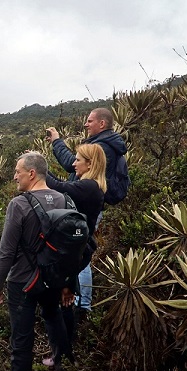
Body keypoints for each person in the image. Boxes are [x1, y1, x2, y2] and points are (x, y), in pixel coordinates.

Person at [0, 152, 76, 371]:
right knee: (53, 319)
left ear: (32, 173)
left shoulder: (19, 204)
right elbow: (71, 250)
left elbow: (6, 251)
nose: (14, 176)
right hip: (54, 279)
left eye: (17, 171)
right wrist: (68, 284)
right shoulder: (64, 199)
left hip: (23, 283)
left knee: (22, 342)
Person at [46, 107, 128, 313]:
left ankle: (82, 304)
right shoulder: (105, 144)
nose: (86, 124)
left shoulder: (102, 148)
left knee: (80, 254)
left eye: (90, 121)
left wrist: (55, 143)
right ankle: (79, 301)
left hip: (85, 208)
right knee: (79, 253)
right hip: (86, 206)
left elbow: (68, 166)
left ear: (102, 124)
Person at [41, 143, 106, 367]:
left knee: (59, 303)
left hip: (76, 251)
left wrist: (38, 167)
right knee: (65, 299)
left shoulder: (89, 186)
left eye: (78, 160)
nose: (74, 163)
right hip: (78, 249)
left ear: (90, 163)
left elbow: (59, 186)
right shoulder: (91, 186)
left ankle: (61, 352)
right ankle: (64, 351)